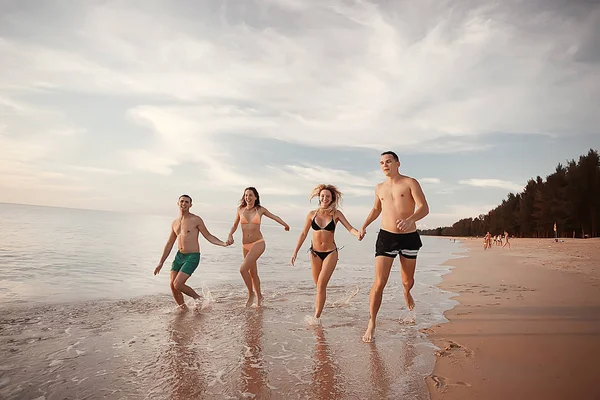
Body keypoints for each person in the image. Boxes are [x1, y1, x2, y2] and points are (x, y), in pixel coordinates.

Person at [358, 151, 429, 342]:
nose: (385, 165)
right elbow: (375, 209)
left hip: (409, 237)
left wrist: (410, 220)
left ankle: (406, 292)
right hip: (386, 237)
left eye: (388, 161)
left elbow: (424, 207)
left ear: (398, 163)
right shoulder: (379, 188)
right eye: (381, 163)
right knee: (379, 282)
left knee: (408, 281)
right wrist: (364, 225)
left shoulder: (410, 182)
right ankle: (372, 322)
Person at [291, 184, 360, 322]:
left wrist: (358, 234)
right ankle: (325, 306)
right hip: (314, 253)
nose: (325, 198)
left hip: (330, 253)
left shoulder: (336, 214)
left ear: (331, 198)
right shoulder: (311, 214)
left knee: (321, 285)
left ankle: (316, 318)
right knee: (319, 287)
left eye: (328, 196)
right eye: (323, 195)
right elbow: (304, 233)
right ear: (319, 197)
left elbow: (350, 228)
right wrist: (295, 252)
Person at [154, 194, 230, 310]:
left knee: (178, 284)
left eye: (186, 202)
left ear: (190, 205)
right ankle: (182, 309)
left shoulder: (196, 220)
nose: (184, 203)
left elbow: (208, 236)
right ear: (178, 203)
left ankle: (198, 299)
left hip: (192, 257)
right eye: (182, 201)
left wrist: (223, 243)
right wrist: (161, 262)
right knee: (172, 285)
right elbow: (169, 243)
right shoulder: (175, 223)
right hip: (179, 256)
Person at [228, 187, 290, 307]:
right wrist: (230, 235)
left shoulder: (260, 210)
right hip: (245, 245)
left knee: (242, 269)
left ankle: (251, 294)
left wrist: (285, 225)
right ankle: (260, 297)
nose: (248, 197)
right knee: (252, 273)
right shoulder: (240, 210)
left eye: (251, 195)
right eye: (246, 195)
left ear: (255, 197)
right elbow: (234, 225)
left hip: (258, 243)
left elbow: (274, 216)